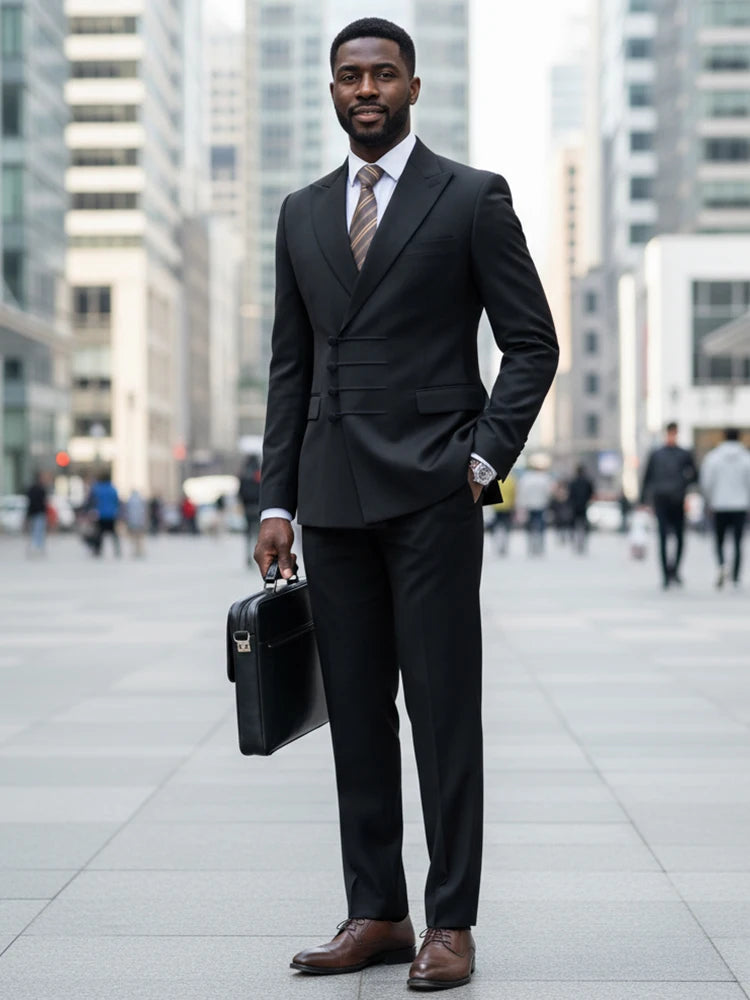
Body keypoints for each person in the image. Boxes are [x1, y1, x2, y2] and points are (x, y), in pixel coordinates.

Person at [253, 19, 558, 991]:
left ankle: (452, 922)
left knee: (441, 712)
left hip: (433, 493)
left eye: (384, 74)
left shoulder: (470, 198)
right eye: (350, 76)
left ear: (414, 88)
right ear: (332, 92)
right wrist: (275, 503)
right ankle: (378, 910)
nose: (367, 89)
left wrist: (484, 459)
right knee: (356, 714)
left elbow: (532, 342)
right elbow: (289, 369)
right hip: (332, 496)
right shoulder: (301, 213)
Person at [640, 421, 697, 588]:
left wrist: (684, 484)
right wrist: (643, 500)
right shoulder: (656, 454)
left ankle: (675, 570)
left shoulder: (684, 454)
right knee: (663, 537)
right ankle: (665, 574)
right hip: (661, 500)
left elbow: (694, 475)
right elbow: (647, 477)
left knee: (679, 538)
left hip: (678, 499)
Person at [700, 428, 750, 589]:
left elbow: (706, 482)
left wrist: (709, 500)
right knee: (737, 542)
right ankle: (735, 576)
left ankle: (722, 564)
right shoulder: (746, 458)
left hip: (719, 505)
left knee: (719, 540)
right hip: (740, 505)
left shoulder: (713, 458)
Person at [517, 462, 554, 556]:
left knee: (529, 526)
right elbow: (548, 492)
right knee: (541, 526)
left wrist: (521, 504)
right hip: (541, 504)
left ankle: (530, 545)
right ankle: (540, 546)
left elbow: (521, 492)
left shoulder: (525, 478)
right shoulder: (544, 478)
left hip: (529, 505)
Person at [90, 472, 120, 557]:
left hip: (100, 514)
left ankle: (97, 550)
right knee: (113, 533)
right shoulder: (113, 489)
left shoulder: (97, 488)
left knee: (99, 533)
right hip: (111, 514)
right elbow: (117, 501)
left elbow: (92, 501)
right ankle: (117, 549)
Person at [567, 464, 594, 554]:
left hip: (575, 506)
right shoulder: (587, 481)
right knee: (584, 524)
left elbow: (570, 495)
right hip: (584, 506)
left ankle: (574, 541)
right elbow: (591, 492)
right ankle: (583, 541)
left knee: (574, 525)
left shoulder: (573, 482)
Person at [488, 471, 516, 555]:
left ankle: (496, 543)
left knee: (495, 526)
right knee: (506, 527)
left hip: (496, 507)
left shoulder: (494, 480)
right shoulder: (511, 480)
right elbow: (513, 493)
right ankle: (504, 544)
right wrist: (513, 504)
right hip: (507, 507)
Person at [25, 472, 48, 556]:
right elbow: (43, 502)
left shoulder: (32, 489)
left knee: (37, 530)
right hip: (38, 513)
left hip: (35, 513)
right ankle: (37, 546)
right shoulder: (40, 489)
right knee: (38, 531)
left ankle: (37, 546)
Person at [124, 489, 147, 558]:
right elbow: (143, 512)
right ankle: (140, 550)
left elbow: (127, 512)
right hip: (140, 521)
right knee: (140, 537)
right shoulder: (141, 501)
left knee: (133, 537)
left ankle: (134, 550)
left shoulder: (130, 501)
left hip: (132, 521)